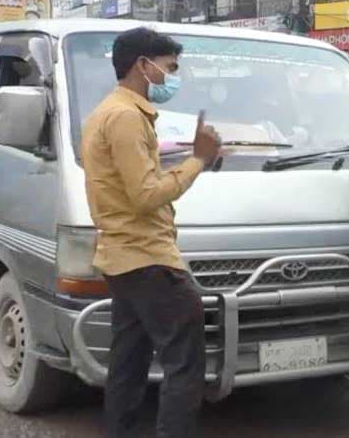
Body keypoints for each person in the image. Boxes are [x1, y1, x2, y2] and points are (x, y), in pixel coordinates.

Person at [80, 27, 221, 438]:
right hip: (146, 257)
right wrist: (198, 159)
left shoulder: (110, 112)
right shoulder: (125, 116)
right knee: (185, 362)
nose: (173, 77)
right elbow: (145, 195)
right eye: (169, 68)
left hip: (123, 257)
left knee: (129, 360)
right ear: (144, 65)